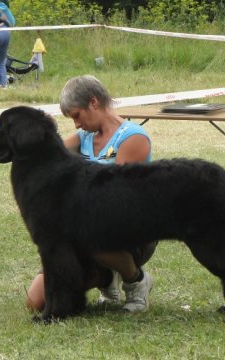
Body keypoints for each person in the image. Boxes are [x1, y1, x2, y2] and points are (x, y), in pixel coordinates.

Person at [27, 75, 157, 313]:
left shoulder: (133, 137)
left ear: (94, 103)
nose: (76, 124)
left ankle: (136, 281)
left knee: (88, 235)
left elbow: (116, 195)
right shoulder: (84, 137)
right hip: (83, 226)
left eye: (76, 115)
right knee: (36, 302)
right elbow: (46, 155)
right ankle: (107, 279)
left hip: (130, 230)